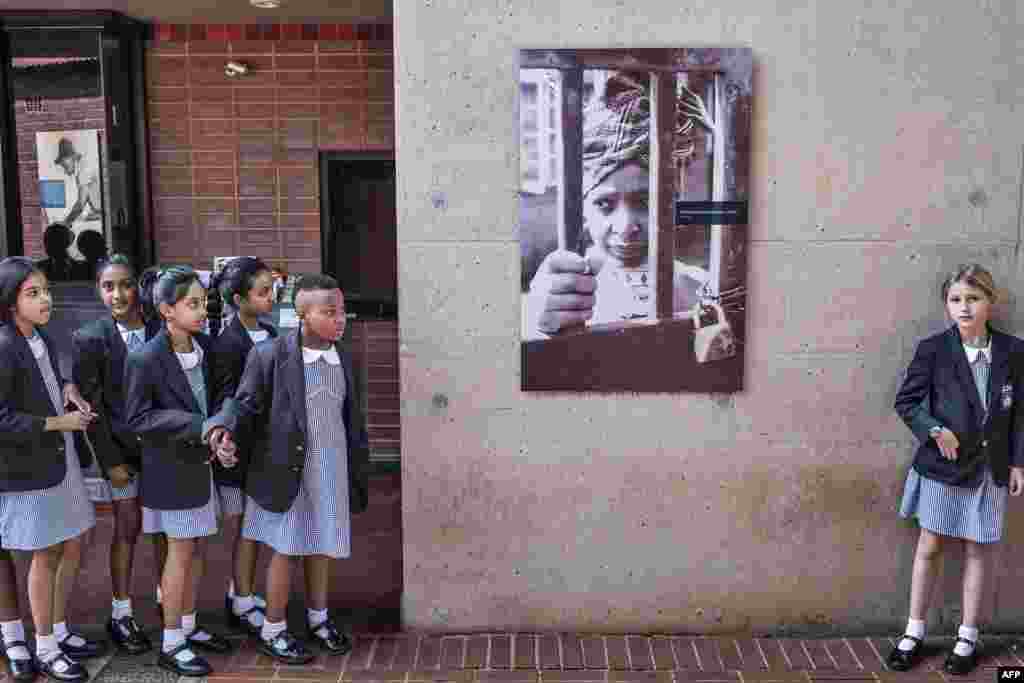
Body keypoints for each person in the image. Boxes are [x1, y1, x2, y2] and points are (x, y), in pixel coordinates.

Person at [210, 274, 369, 664]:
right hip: (286, 469)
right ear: (302, 315)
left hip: (329, 470)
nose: (340, 319)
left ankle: (319, 618)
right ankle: (274, 628)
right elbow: (245, 405)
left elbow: (350, 419)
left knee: (321, 546)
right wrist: (225, 433)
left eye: (342, 311)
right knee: (286, 549)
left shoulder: (344, 356)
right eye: (329, 312)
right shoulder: (271, 355)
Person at [521, 71, 735, 361]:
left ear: (673, 201)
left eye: (645, 200)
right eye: (605, 204)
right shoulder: (563, 292)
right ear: (582, 208)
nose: (626, 227)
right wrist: (538, 325)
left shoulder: (703, 290)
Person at [889, 264, 1024, 675]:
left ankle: (968, 636)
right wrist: (934, 430)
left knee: (978, 550)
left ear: (990, 303)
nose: (964, 308)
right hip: (943, 468)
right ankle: (913, 632)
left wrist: (1018, 460)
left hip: (990, 468)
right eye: (955, 300)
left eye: (973, 298)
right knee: (929, 546)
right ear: (946, 305)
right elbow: (907, 402)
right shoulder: (933, 350)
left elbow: (1020, 412)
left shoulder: (1013, 351)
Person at [123, 266, 233, 677]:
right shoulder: (145, 358)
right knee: (181, 553)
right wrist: (197, 426)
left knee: (196, 549)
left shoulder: (205, 347)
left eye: (204, 302)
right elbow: (137, 419)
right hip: (170, 470)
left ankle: (186, 624)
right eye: (193, 304)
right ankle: (171, 641)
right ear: (167, 310)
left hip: (201, 465)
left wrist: (220, 428)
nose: (203, 310)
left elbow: (222, 396)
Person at [0, 256, 102, 682]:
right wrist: (58, 422)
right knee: (44, 554)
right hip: (28, 468)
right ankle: (42, 646)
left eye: (46, 290)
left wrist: (68, 390)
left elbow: (45, 382)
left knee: (65, 545)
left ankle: (54, 630)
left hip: (57, 461)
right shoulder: (4, 345)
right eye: (33, 293)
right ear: (10, 302)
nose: (46, 299)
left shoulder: (40, 335)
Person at [69, 254, 164, 656]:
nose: (118, 294)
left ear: (138, 288)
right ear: (99, 290)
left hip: (162, 451)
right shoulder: (90, 338)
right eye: (108, 286)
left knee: (165, 530)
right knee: (127, 527)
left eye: (125, 284)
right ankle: (121, 612)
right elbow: (93, 409)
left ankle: (169, 601)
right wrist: (110, 462)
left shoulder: (161, 328)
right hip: (120, 453)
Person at [208, 257, 278, 637]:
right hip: (236, 449)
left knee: (256, 526)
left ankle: (242, 593)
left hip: (265, 447)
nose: (271, 297)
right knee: (246, 528)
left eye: (273, 290)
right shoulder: (227, 344)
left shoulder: (270, 334)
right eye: (263, 292)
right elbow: (225, 398)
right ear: (239, 299)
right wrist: (226, 439)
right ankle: (241, 600)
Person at [54, 138, 102, 226]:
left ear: (71, 157)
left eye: (64, 166)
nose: (65, 170)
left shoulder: (83, 170)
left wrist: (66, 222)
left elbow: (80, 204)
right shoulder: (83, 166)